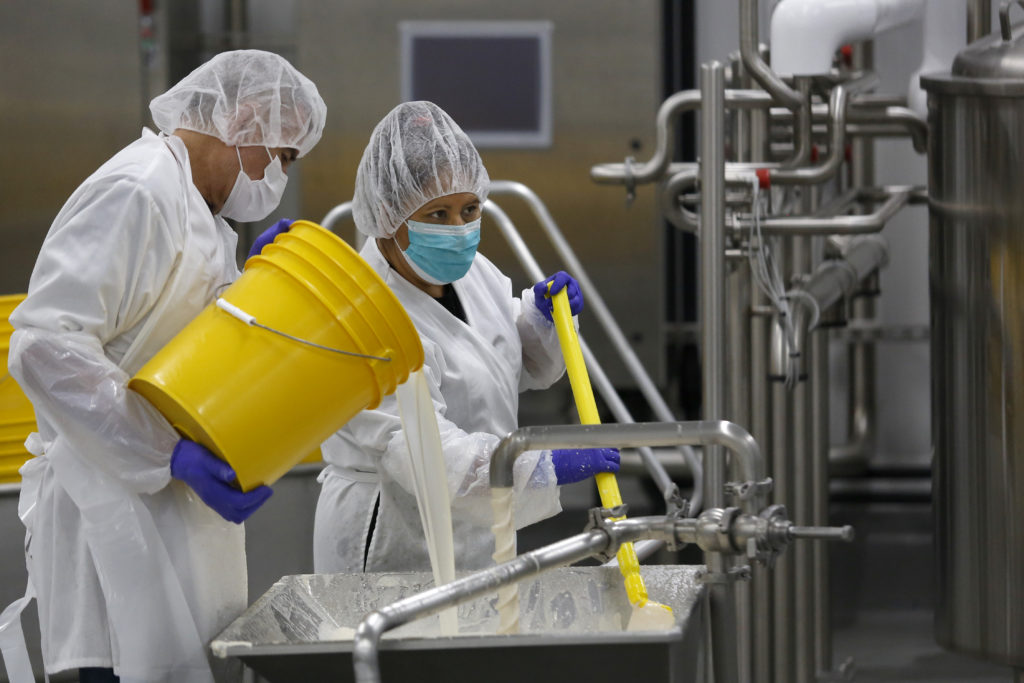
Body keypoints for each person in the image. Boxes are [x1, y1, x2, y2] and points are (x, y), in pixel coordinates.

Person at [1, 50, 326, 683]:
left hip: (167, 514)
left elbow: (169, 339)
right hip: (110, 510)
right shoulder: (140, 188)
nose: (277, 176)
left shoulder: (198, 210)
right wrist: (165, 451)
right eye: (282, 157)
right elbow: (43, 346)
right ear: (247, 120)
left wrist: (251, 289)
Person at [313, 101, 620, 575]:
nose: (458, 230)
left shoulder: (472, 272)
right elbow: (430, 454)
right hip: (394, 537)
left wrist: (540, 320)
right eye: (437, 214)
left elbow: (506, 362)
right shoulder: (361, 319)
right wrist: (541, 467)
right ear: (388, 215)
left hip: (480, 520)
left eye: (470, 208)